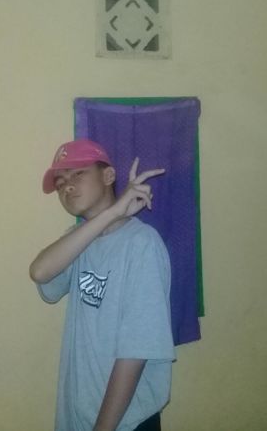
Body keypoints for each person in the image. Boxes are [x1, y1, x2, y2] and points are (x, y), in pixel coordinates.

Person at [30, 139, 175, 431]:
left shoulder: (141, 244)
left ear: (108, 176)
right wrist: (111, 214)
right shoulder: (79, 240)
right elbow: (40, 271)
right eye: (60, 183)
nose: (67, 186)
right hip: (79, 417)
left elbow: (135, 352)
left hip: (122, 422)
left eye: (78, 174)